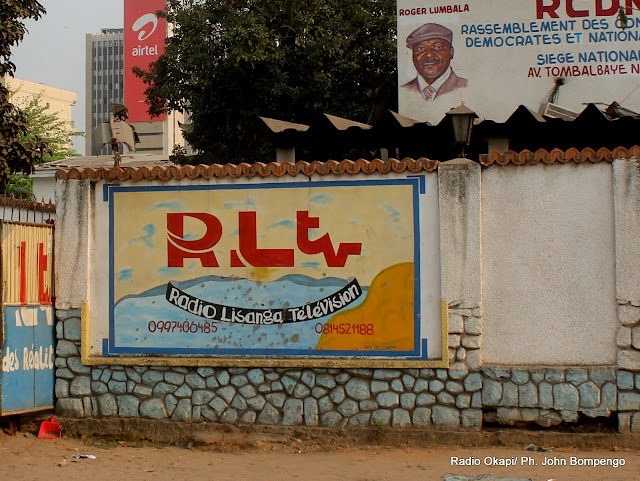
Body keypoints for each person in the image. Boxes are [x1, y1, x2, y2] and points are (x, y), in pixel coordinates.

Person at [402, 23, 467, 101]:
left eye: (438, 47)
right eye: (420, 49)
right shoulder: (405, 90)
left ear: (451, 52)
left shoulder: (465, 87)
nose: (429, 55)